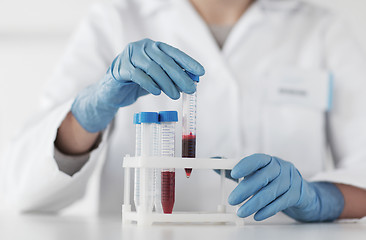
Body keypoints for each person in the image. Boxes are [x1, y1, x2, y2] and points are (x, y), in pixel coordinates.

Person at [4, 0, 366, 221]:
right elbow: (26, 189)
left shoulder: (322, 30)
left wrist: (322, 200)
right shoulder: (113, 20)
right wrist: (89, 112)